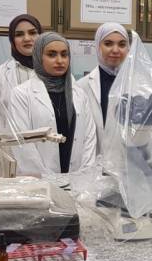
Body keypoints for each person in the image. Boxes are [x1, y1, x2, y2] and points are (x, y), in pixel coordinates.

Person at [8, 33, 97, 175]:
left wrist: (84, 176)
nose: (60, 60)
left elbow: (89, 139)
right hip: (38, 180)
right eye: (51, 54)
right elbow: (22, 144)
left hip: (77, 179)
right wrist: (46, 179)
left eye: (64, 54)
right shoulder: (21, 94)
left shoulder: (79, 94)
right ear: (38, 57)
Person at [76, 23, 130, 150]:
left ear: (128, 49)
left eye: (122, 44)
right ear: (98, 46)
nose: (115, 50)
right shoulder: (81, 86)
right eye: (108, 44)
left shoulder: (138, 84)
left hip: (129, 158)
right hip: (94, 158)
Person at [0, 14, 42, 124]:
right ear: (12, 40)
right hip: (10, 134)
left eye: (32, 33)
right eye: (19, 34)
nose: (27, 38)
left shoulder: (54, 72)